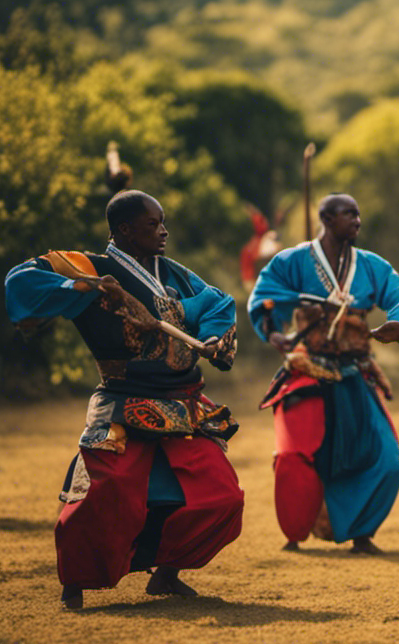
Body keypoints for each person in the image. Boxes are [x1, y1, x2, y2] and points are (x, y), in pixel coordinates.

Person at [5, 190, 244, 609]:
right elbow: (20, 279)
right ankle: (74, 584)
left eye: (163, 222)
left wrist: (209, 337)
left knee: (221, 495)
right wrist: (96, 288)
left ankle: (167, 574)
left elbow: (216, 301)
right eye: (153, 225)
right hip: (122, 401)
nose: (163, 231)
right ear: (124, 230)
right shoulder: (93, 267)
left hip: (184, 403)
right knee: (104, 494)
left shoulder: (176, 274)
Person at [248, 193, 399, 555]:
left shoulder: (371, 265)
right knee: (294, 455)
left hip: (355, 373)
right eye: (349, 214)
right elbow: (265, 295)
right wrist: (276, 331)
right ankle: (296, 531)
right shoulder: (294, 260)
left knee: (385, 457)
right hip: (306, 371)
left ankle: (361, 534)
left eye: (359, 214)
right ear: (327, 220)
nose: (358, 221)